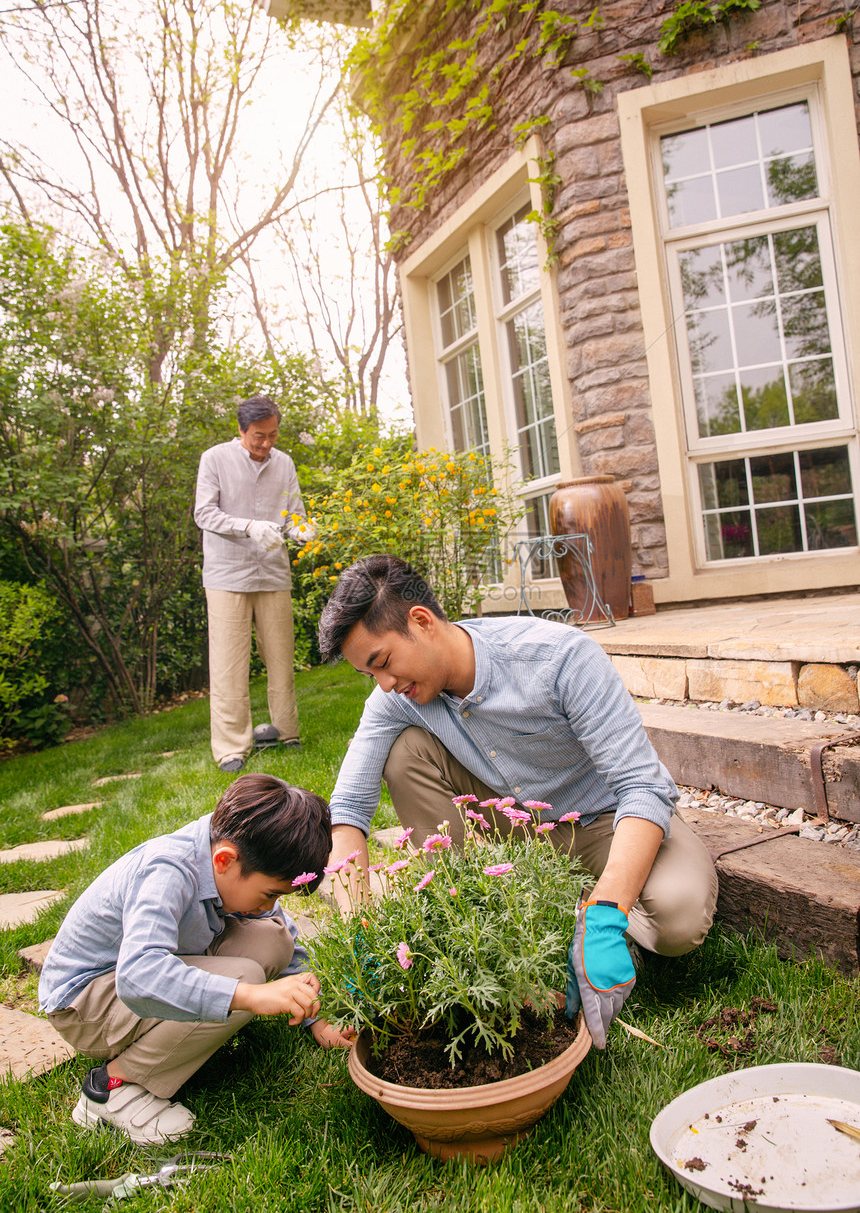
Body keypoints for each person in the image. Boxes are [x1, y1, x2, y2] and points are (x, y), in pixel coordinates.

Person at [317, 554, 718, 1048]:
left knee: (679, 917)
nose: (384, 684)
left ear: (420, 622)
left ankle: (594, 923)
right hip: (519, 831)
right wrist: (361, 934)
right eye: (369, 674)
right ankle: (470, 913)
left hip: (606, 820)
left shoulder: (558, 658)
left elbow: (643, 786)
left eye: (382, 663)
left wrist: (610, 911)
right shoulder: (394, 700)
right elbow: (350, 809)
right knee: (404, 755)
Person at [39, 773, 352, 1146]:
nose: (271, 905)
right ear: (225, 861)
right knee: (246, 978)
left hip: (141, 973)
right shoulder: (167, 870)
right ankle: (114, 1088)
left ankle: (175, 1035)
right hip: (87, 1004)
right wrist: (251, 996)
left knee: (273, 940)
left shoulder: (235, 845)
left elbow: (277, 925)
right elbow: (139, 976)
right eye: (269, 893)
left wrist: (315, 1018)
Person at [195, 394, 315, 772]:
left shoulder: (284, 463)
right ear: (242, 430)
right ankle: (231, 748)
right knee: (230, 662)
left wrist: (303, 529)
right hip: (227, 575)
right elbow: (204, 513)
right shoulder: (214, 459)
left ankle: (285, 731)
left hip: (273, 572)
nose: (266, 443)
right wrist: (247, 526)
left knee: (280, 655)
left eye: (273, 435)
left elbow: (295, 515)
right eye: (259, 436)